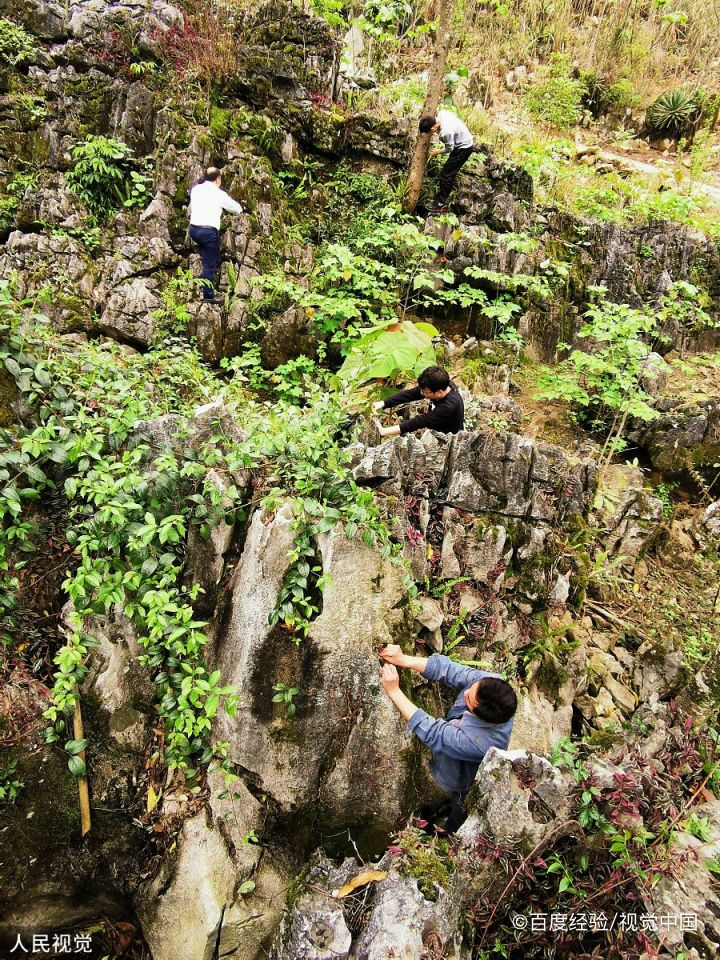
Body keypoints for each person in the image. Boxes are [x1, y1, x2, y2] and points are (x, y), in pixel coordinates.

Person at [379, 645, 517, 832]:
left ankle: (451, 829)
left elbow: (433, 731)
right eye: (472, 689)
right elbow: (451, 670)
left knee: (462, 802)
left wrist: (394, 691)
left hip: (463, 776)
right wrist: (403, 659)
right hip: (457, 738)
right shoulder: (491, 683)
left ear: (479, 715)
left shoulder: (479, 743)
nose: (466, 692)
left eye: (470, 699)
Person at [188, 166, 242, 303]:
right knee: (209, 265)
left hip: (194, 230)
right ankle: (208, 296)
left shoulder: (195, 189)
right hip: (208, 233)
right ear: (218, 179)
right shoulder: (219, 194)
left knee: (212, 255)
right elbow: (236, 208)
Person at [372, 365, 464, 438]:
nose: (421, 393)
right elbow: (410, 394)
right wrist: (383, 403)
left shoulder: (449, 406)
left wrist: (384, 431)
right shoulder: (442, 384)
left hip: (448, 441)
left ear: (439, 392)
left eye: (425, 392)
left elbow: (419, 421)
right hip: (434, 432)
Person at [419, 109, 474, 213]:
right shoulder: (442, 113)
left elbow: (450, 148)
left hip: (464, 148)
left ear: (433, 128)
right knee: (448, 172)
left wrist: (437, 152)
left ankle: (439, 203)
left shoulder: (445, 132)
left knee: (445, 175)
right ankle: (443, 196)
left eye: (430, 132)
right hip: (463, 140)